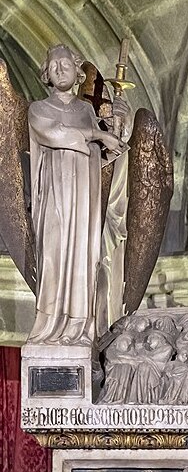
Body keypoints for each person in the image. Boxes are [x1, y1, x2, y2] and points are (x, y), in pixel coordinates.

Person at [27, 44, 126, 345]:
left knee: (82, 259)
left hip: (84, 201)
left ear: (78, 71)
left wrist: (120, 124)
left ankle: (79, 329)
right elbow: (55, 133)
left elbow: (107, 155)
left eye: (65, 63)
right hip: (54, 199)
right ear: (46, 72)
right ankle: (49, 329)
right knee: (54, 257)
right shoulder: (38, 109)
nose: (59, 68)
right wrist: (98, 134)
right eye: (53, 64)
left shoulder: (86, 111)